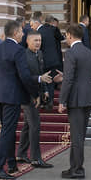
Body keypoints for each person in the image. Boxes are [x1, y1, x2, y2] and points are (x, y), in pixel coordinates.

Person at [0, 20, 48, 180]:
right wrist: (35, 93)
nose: (23, 34)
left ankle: (12, 164)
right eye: (21, 32)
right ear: (15, 33)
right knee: (8, 132)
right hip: (13, 96)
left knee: (7, 130)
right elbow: (25, 76)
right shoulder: (18, 50)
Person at [58, 23, 91, 178]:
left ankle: (77, 169)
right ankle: (74, 166)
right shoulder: (88, 52)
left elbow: (69, 79)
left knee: (76, 136)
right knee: (80, 134)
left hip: (75, 98)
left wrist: (62, 100)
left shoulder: (71, 52)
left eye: (66, 35)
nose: (66, 38)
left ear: (70, 35)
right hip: (87, 96)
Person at [16, 33, 53, 168]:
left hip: (37, 92)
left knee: (28, 124)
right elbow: (25, 78)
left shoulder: (40, 53)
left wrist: (45, 90)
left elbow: (41, 73)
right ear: (27, 41)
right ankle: (36, 158)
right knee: (35, 125)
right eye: (35, 40)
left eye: (40, 40)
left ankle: (21, 154)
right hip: (27, 95)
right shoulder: (23, 55)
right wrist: (34, 95)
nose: (38, 43)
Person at [39, 15, 64, 111]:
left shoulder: (40, 31)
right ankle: (50, 102)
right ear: (52, 22)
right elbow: (61, 38)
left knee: (44, 80)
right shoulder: (54, 29)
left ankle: (43, 101)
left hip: (43, 60)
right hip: (53, 60)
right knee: (51, 81)